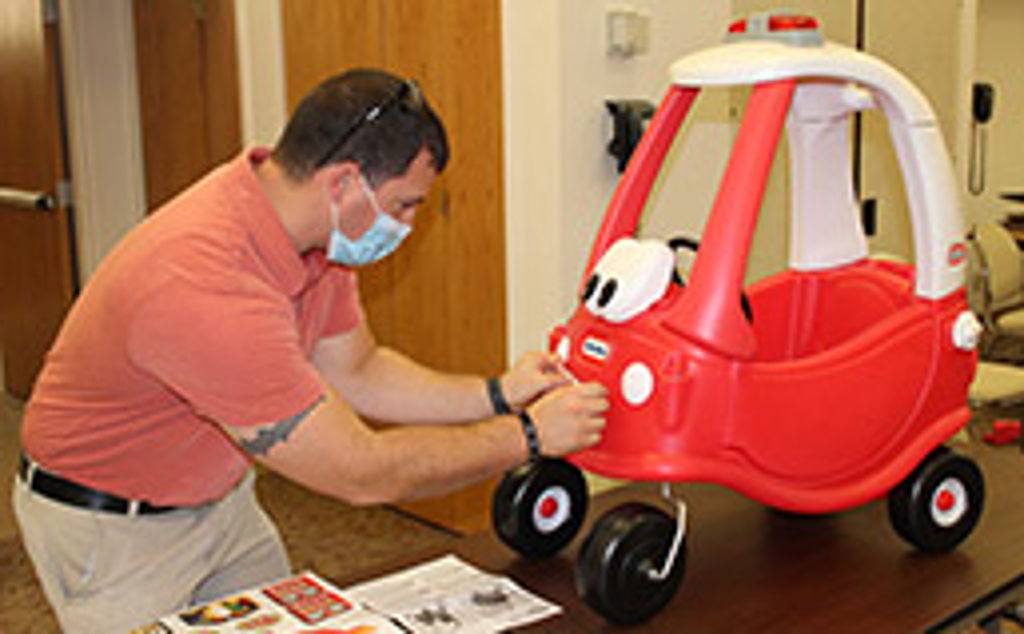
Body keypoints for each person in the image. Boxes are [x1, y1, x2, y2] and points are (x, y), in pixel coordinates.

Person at [13, 68, 608, 633]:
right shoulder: (204, 281)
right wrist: (528, 437)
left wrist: (498, 394)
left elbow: (359, 370)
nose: (406, 226)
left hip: (218, 498)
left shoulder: (319, 234)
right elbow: (361, 473)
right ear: (343, 182)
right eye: (403, 205)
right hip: (114, 530)